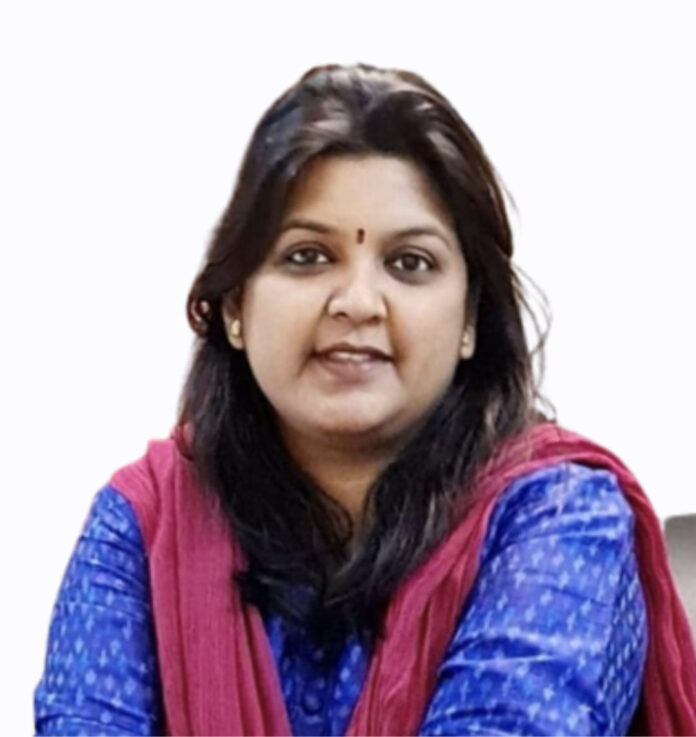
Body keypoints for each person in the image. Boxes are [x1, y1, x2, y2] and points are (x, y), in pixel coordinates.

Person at [34, 63, 696, 736]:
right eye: (307, 256)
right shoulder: (145, 526)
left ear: (470, 318)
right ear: (234, 305)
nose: (357, 302)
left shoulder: (558, 519)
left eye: (409, 263)